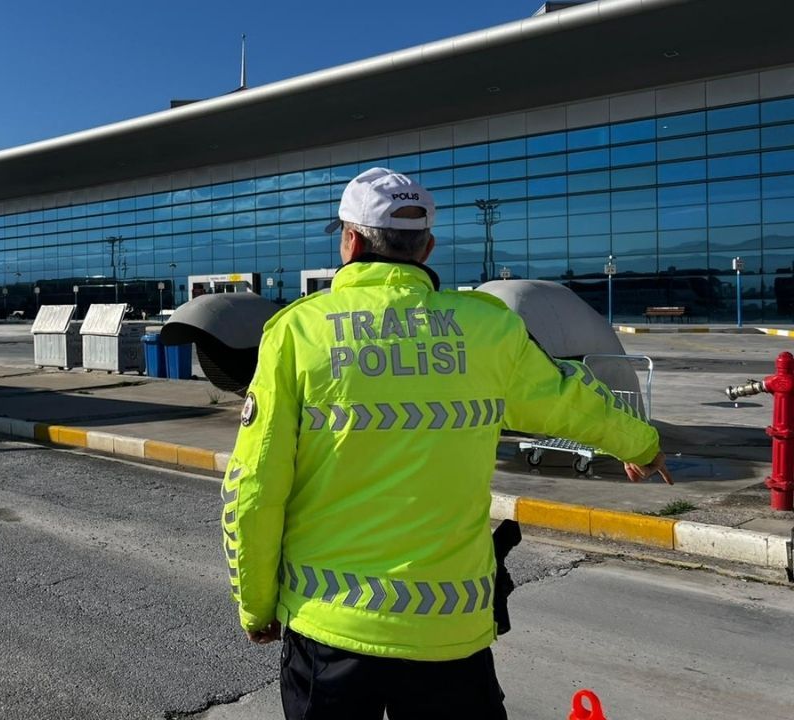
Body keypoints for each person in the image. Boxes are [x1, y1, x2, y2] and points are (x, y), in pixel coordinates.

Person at [220, 167, 671, 719]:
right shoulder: (487, 328)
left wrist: (256, 605)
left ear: (351, 242)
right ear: (427, 248)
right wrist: (639, 444)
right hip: (451, 630)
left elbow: (254, 487)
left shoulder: (297, 333)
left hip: (330, 628)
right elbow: (568, 400)